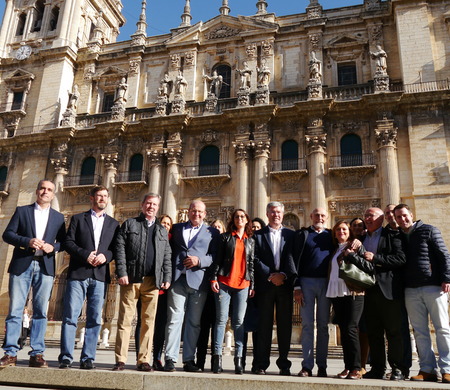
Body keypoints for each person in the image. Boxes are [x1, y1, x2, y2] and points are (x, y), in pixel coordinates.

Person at [1, 179, 66, 368]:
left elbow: (63, 242)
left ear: (53, 194)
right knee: (15, 310)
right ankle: (10, 353)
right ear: (37, 191)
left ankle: (37, 353)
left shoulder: (58, 217)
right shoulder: (22, 211)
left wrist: (52, 247)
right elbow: (8, 234)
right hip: (22, 264)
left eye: (49, 190)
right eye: (43, 188)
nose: (45, 192)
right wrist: (27, 241)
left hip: (45, 266)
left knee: (41, 312)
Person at [58, 186, 119, 370]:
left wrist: (105, 257)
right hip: (78, 273)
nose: (102, 198)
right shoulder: (78, 218)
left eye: (105, 196)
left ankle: (88, 358)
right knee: (70, 316)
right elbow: (68, 242)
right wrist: (86, 254)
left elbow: (115, 249)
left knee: (95, 318)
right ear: (91, 198)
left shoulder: (114, 224)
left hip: (100, 275)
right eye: (99, 195)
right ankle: (66, 357)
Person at [113, 193, 172, 372]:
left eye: (154, 204)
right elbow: (119, 248)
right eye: (148, 203)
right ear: (142, 205)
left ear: (157, 207)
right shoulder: (130, 224)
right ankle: (120, 360)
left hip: (153, 281)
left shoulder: (162, 230)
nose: (151, 207)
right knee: (125, 320)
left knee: (148, 322)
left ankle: (143, 360)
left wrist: (167, 277)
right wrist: (122, 272)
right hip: (132, 279)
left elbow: (167, 256)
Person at [394, 204, 450, 383]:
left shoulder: (429, 230)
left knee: (442, 328)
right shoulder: (399, 236)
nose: (402, 219)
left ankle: (448, 368)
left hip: (433, 286)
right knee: (419, 331)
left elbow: (444, 254)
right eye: (398, 217)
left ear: (411, 214)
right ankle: (427, 369)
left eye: (404, 215)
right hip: (410, 288)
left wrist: (447, 278)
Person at [350, 207, 407, 380]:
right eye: (366, 215)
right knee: (374, 332)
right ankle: (377, 368)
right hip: (367, 291)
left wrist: (376, 258)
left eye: (371, 216)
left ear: (381, 219)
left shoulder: (392, 235)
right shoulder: (360, 238)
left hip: (387, 290)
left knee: (393, 331)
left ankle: (398, 368)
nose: (367, 218)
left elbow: (400, 259)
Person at [164, 200, 220, 372]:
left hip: (198, 281)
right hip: (178, 279)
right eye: (194, 211)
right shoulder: (177, 228)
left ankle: (188, 360)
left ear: (205, 214)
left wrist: (199, 260)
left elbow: (214, 256)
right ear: (188, 211)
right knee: (174, 319)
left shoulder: (213, 232)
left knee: (194, 322)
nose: (197, 214)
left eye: (200, 212)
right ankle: (170, 359)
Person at [253, 201, 297, 375]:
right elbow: (254, 258)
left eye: (278, 212)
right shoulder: (258, 235)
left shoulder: (291, 235)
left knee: (285, 326)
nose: (275, 215)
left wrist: (284, 275)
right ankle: (261, 364)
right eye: (272, 212)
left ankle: (284, 364)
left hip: (285, 285)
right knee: (264, 325)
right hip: (266, 284)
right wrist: (271, 275)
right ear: (267, 213)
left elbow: (294, 258)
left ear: (283, 214)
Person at [209, 209, 255, 374]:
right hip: (224, 282)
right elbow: (218, 260)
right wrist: (213, 278)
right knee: (221, 321)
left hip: (243, 284)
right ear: (233, 220)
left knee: (238, 322)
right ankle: (217, 358)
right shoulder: (225, 237)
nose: (240, 218)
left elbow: (251, 265)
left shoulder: (250, 241)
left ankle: (239, 360)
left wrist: (253, 285)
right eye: (237, 216)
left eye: (243, 216)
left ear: (247, 220)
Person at [293, 208, 334, 377]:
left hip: (326, 282)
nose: (320, 218)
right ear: (310, 217)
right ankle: (307, 365)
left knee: (323, 326)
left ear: (327, 218)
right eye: (316, 215)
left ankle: (322, 365)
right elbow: (294, 260)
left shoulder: (332, 235)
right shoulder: (302, 235)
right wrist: (296, 286)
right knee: (308, 325)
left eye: (323, 216)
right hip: (306, 282)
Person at [326, 220, 366, 380]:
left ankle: (357, 367)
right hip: (337, 292)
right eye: (338, 230)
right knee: (344, 329)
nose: (341, 232)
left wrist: (353, 253)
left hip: (353, 292)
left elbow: (365, 265)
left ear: (349, 232)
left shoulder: (355, 245)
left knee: (351, 328)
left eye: (344, 229)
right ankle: (348, 366)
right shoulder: (336, 249)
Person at [384, 203, 413, 378]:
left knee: (405, 329)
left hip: (412, 284)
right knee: (394, 329)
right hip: (392, 287)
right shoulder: (386, 233)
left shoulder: (413, 231)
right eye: (387, 213)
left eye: (392, 213)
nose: (391, 216)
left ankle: (406, 367)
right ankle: (396, 367)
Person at [196, 219, 225, 371]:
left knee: (217, 326)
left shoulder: (226, 243)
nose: (216, 229)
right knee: (203, 326)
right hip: (206, 289)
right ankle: (199, 361)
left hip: (221, 289)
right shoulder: (206, 246)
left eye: (219, 227)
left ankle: (215, 360)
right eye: (213, 227)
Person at [152, 214, 173, 370]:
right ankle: (144, 356)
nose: (165, 225)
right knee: (144, 322)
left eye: (168, 224)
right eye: (163, 223)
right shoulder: (152, 237)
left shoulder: (173, 241)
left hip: (165, 290)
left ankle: (157, 357)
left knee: (161, 324)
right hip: (150, 285)